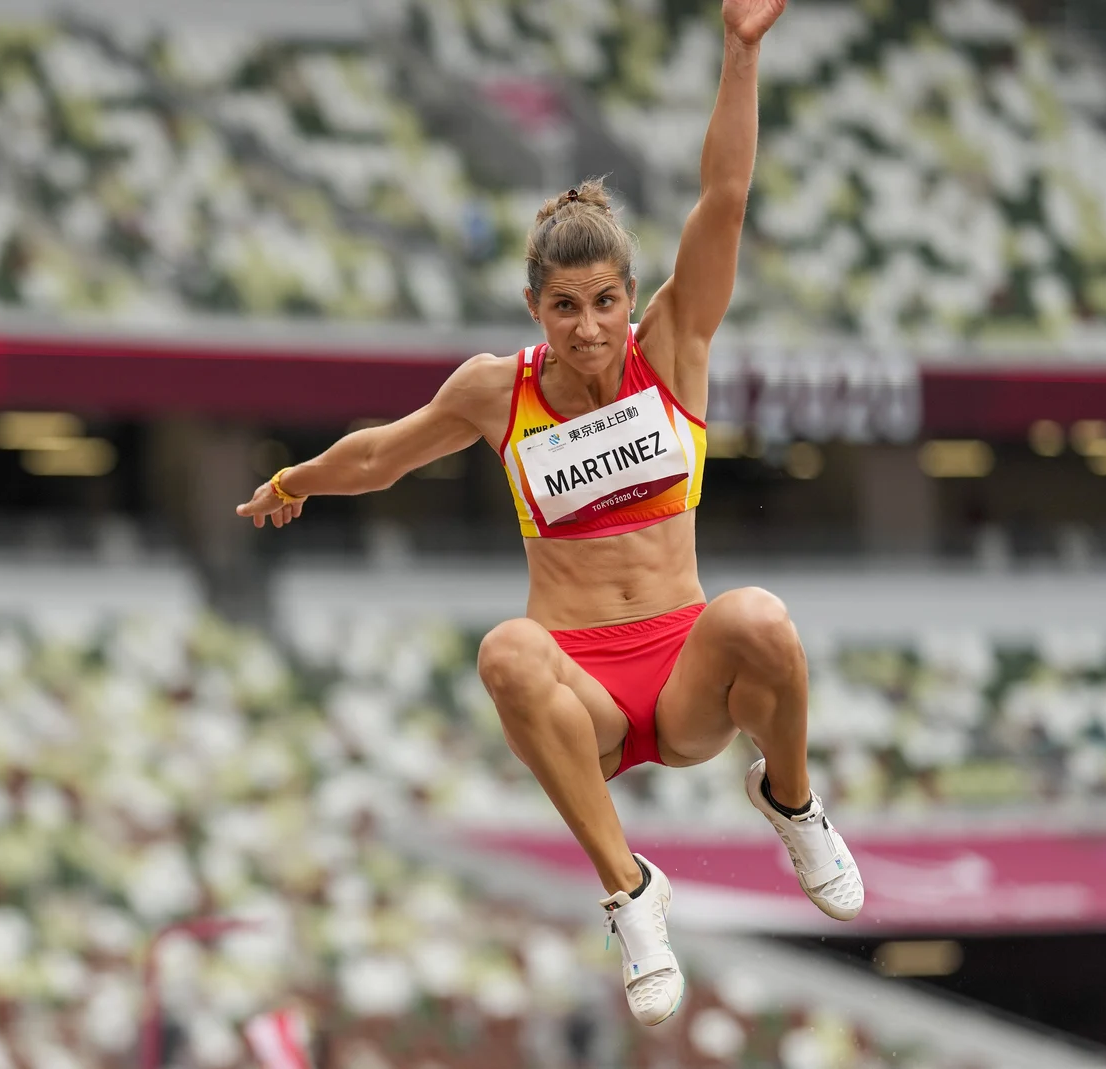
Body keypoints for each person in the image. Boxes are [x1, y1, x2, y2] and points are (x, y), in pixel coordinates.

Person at [234, 0, 861, 1027]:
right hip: (590, 698)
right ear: (536, 308)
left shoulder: (674, 348)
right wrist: (297, 479)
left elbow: (725, 195)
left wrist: (741, 52)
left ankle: (790, 801)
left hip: (685, 673)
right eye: (563, 307)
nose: (587, 328)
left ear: (628, 298)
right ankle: (631, 891)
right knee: (504, 649)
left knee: (761, 617)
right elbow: (385, 453)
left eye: (604, 302)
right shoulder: (498, 390)